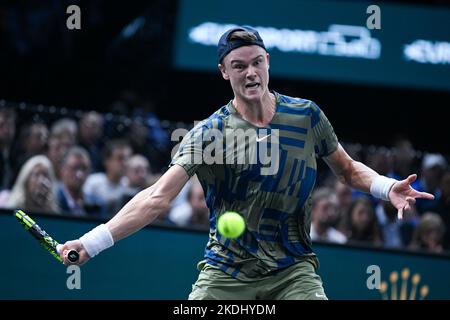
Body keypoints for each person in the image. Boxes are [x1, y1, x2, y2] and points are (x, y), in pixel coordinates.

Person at [59, 26, 434, 300]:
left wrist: (387, 187)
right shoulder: (210, 133)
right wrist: (91, 243)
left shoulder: (306, 116)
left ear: (268, 62)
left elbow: (348, 169)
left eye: (257, 62)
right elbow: (157, 198)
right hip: (226, 273)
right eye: (239, 66)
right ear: (224, 72)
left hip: (294, 271)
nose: (251, 72)